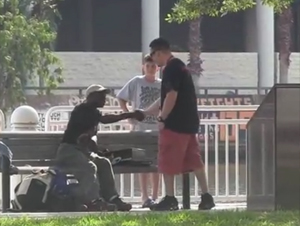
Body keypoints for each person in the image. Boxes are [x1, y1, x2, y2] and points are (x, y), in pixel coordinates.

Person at [141, 37, 215, 211]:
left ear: (159, 52)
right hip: (189, 123)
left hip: (175, 124)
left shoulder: (170, 68)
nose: (153, 60)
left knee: (167, 159)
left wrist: (162, 118)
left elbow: (171, 96)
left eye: (153, 55)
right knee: (194, 160)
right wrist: (145, 112)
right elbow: (165, 96)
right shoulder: (181, 67)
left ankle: (170, 198)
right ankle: (206, 196)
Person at [55, 84, 144, 211]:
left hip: (82, 151)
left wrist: (99, 152)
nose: (104, 99)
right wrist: (129, 115)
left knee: (103, 163)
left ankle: (112, 198)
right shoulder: (82, 110)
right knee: (89, 167)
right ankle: (93, 201)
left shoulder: (93, 113)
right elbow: (105, 120)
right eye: (100, 95)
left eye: (104, 95)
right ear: (90, 97)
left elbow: (87, 139)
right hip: (69, 151)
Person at [117, 55, 161, 208]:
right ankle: (144, 196)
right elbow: (121, 97)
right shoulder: (136, 82)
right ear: (143, 66)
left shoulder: (162, 85)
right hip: (140, 127)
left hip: (157, 127)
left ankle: (155, 196)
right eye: (148, 66)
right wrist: (128, 115)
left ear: (158, 68)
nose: (150, 68)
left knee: (156, 164)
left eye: (153, 66)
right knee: (142, 163)